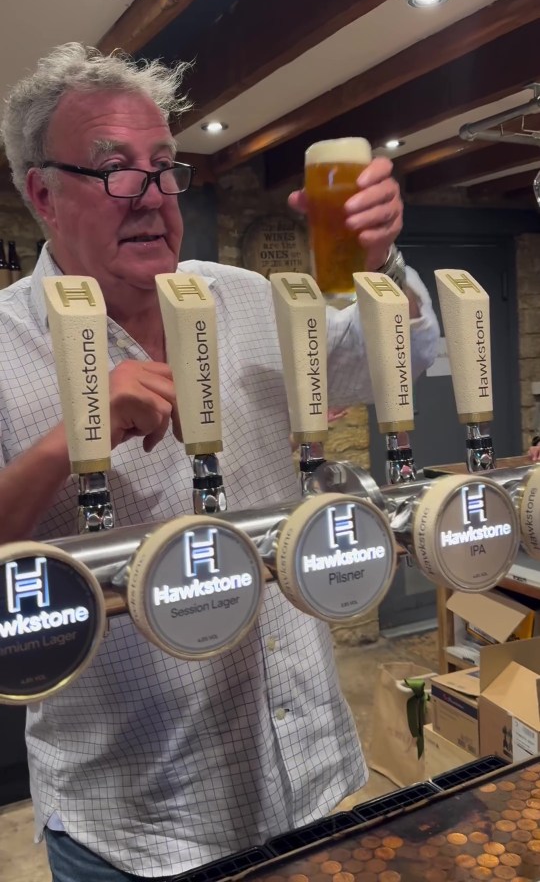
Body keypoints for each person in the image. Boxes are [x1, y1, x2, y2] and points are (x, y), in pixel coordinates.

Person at [0, 43, 439, 881]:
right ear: (42, 194)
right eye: (115, 170)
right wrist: (71, 439)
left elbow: (389, 363)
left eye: (164, 168)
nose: (152, 195)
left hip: (306, 779)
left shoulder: (243, 295)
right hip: (134, 826)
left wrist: (379, 263)